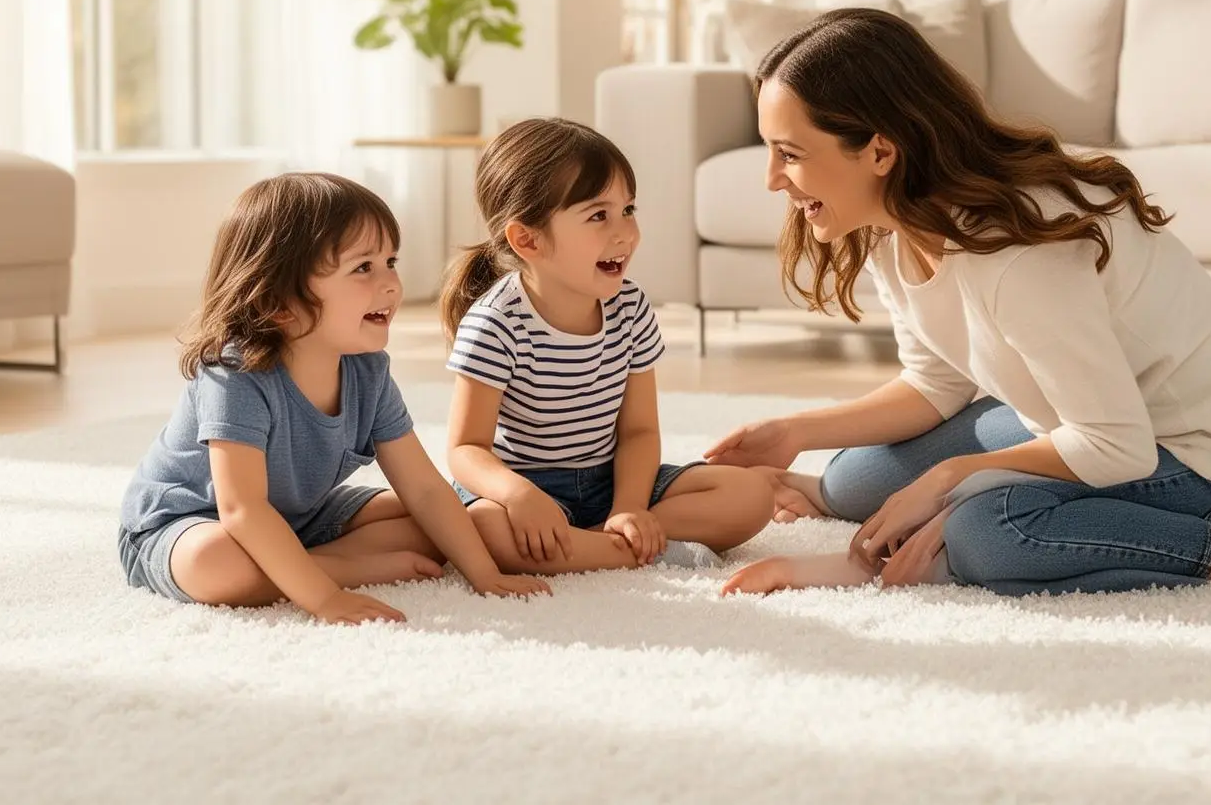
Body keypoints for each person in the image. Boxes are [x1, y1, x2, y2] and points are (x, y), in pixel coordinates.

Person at [706, 8, 1211, 597]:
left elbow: (1118, 445)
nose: (771, 178)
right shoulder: (894, 229)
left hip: (1192, 459)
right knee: (854, 481)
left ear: (880, 151)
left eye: (789, 153)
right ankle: (943, 510)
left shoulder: (1019, 253)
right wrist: (793, 432)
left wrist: (955, 482)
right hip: (1078, 420)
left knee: (992, 534)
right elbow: (935, 384)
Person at [118, 173, 550, 623]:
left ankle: (299, 563)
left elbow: (422, 487)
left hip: (299, 517)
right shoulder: (235, 375)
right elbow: (241, 510)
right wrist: (325, 596)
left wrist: (482, 573)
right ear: (278, 300)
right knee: (215, 562)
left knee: (444, 516)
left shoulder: (367, 371)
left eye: (390, 262)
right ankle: (333, 568)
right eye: (363, 267)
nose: (391, 285)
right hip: (189, 522)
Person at [442, 118, 774, 574]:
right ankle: (640, 551)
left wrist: (630, 507)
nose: (626, 234)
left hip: (611, 479)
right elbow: (465, 449)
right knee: (483, 529)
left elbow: (639, 432)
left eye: (628, 210)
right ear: (528, 239)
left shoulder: (631, 307)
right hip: (525, 490)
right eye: (599, 215)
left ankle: (598, 544)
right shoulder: (495, 323)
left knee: (751, 495)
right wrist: (518, 495)